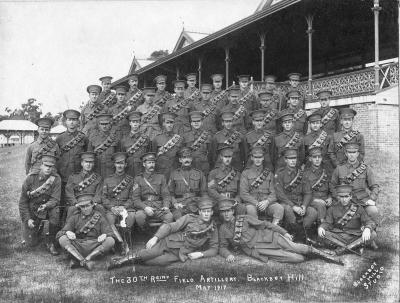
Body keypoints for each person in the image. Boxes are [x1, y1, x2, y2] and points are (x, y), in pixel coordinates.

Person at [218, 199, 342, 264]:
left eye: (228, 211)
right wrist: (228, 254)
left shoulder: (243, 218)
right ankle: (314, 256)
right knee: (297, 259)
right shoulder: (222, 229)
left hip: (270, 237)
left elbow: (266, 224)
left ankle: (326, 256)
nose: (226, 214)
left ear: (233, 211)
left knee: (296, 247)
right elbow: (222, 247)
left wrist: (284, 232)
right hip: (259, 250)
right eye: (223, 212)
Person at [107, 198, 218, 269]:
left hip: (179, 253)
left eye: (209, 211)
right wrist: (155, 238)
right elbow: (170, 226)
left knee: (156, 262)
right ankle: (118, 263)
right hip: (168, 242)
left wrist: (200, 254)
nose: (206, 214)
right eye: (204, 211)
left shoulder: (212, 228)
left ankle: (133, 260)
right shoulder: (189, 218)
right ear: (199, 212)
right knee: (148, 254)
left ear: (212, 212)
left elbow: (214, 249)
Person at [57, 193, 115, 270]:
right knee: (62, 239)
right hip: (78, 245)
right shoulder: (75, 217)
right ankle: (85, 261)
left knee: (110, 240)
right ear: (79, 207)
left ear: (92, 205)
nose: (85, 209)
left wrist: (105, 235)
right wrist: (67, 232)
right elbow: (60, 233)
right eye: (82, 207)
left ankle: (81, 260)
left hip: (95, 245)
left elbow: (110, 233)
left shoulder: (99, 217)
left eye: (87, 206)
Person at [19, 154, 61, 255]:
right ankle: (36, 232)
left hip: (48, 208)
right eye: (46, 165)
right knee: (31, 243)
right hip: (33, 209)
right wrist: (28, 218)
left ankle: (50, 241)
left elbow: (55, 199)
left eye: (50, 166)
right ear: (41, 165)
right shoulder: (31, 178)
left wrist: (46, 206)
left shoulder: (56, 179)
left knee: (56, 211)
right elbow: (23, 202)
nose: (48, 168)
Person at [318, 184, 377, 255]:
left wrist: (367, 228)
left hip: (354, 236)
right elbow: (327, 223)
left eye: (346, 196)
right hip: (339, 236)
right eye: (341, 197)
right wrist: (321, 227)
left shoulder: (358, 208)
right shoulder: (332, 209)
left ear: (350, 197)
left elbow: (369, 221)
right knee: (323, 234)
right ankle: (355, 247)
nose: (344, 199)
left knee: (373, 234)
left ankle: (340, 249)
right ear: (338, 197)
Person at [274, 149, 318, 241]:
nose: (293, 161)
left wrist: (304, 206)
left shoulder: (301, 174)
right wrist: (293, 206)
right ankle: (296, 234)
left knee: (312, 212)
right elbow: (280, 194)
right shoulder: (280, 173)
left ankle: (300, 233)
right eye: (290, 159)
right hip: (286, 203)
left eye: (294, 158)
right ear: (285, 160)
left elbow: (308, 192)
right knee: (288, 209)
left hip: (300, 203)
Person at [330, 142, 380, 224]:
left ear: (357, 154)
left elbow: (374, 186)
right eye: (349, 152)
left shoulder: (365, 169)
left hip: (362, 200)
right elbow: (332, 185)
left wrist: (372, 198)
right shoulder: (339, 169)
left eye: (354, 152)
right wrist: (338, 198)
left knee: (373, 211)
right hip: (344, 199)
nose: (351, 155)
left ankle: (371, 231)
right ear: (346, 154)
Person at [56, 109, 89, 222]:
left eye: (74, 120)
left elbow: (87, 157)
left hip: (78, 176)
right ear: (65, 121)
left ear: (78, 122)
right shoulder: (59, 138)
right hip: (63, 175)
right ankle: (61, 225)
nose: (72, 122)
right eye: (69, 120)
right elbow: (56, 157)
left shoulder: (83, 138)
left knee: (78, 202)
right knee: (62, 202)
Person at [102, 152, 136, 254]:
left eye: (122, 163)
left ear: (125, 165)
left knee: (130, 218)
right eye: (118, 163)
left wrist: (123, 207)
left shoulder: (131, 180)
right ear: (114, 164)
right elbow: (104, 197)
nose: (120, 166)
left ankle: (126, 244)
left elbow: (132, 197)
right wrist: (112, 208)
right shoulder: (108, 180)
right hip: (112, 208)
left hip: (126, 207)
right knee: (110, 220)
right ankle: (115, 243)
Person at [240, 147, 283, 224]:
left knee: (279, 208)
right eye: (255, 157)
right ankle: (256, 231)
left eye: (260, 157)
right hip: (252, 203)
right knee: (250, 210)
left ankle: (274, 229)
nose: (258, 160)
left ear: (263, 158)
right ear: (252, 158)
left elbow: (274, 193)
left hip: (266, 203)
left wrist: (267, 201)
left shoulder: (269, 174)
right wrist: (256, 203)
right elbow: (243, 193)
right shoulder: (245, 173)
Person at [132, 152, 173, 229]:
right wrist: (145, 208)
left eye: (153, 162)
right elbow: (135, 199)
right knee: (139, 216)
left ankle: (160, 234)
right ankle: (146, 233)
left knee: (169, 216)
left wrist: (166, 206)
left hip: (158, 207)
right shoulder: (138, 179)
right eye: (149, 163)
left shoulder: (161, 177)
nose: (152, 165)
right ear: (144, 164)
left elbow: (166, 195)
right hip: (144, 207)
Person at [169, 147, 207, 220]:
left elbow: (204, 192)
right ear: (180, 160)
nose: (187, 160)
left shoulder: (199, 173)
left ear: (191, 159)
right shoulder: (174, 174)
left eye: (189, 157)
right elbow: (170, 193)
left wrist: (204, 204)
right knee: (178, 217)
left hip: (195, 203)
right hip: (180, 204)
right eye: (184, 157)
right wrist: (175, 203)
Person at [207, 145, 246, 215]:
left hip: (233, 200)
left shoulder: (237, 173)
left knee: (242, 208)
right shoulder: (213, 173)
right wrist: (222, 198)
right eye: (225, 157)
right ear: (221, 157)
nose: (227, 159)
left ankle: (238, 226)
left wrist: (237, 200)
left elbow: (240, 191)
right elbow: (211, 190)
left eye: (229, 157)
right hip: (219, 200)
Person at [65, 152, 103, 219]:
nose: (88, 164)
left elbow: (99, 194)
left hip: (92, 203)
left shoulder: (98, 178)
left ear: (93, 164)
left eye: (91, 162)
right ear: (82, 163)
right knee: (71, 209)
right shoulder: (73, 177)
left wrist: (93, 203)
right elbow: (69, 193)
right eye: (86, 162)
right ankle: (68, 229)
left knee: (100, 208)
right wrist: (75, 203)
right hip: (78, 203)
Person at [302, 147, 333, 226]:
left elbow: (331, 188)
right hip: (312, 200)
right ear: (310, 159)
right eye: (314, 157)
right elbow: (305, 193)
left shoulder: (326, 172)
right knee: (320, 205)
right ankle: (322, 226)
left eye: (319, 157)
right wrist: (316, 200)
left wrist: (330, 197)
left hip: (325, 199)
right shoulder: (305, 174)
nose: (317, 159)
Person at [87, 113, 119, 180]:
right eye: (102, 124)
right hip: (97, 170)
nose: (104, 126)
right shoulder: (92, 138)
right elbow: (89, 157)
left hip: (111, 171)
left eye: (106, 124)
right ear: (98, 125)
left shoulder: (115, 138)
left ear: (110, 124)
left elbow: (118, 157)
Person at [151, 112, 183, 179]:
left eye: (171, 123)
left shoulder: (179, 139)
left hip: (175, 169)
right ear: (163, 124)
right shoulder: (157, 139)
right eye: (167, 123)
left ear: (174, 124)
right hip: (161, 170)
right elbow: (153, 156)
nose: (169, 125)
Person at [119, 111, 151, 176]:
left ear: (140, 123)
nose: (135, 124)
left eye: (137, 122)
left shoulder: (146, 139)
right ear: (130, 123)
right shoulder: (123, 140)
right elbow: (122, 157)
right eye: (133, 122)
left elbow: (149, 155)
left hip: (142, 170)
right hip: (128, 170)